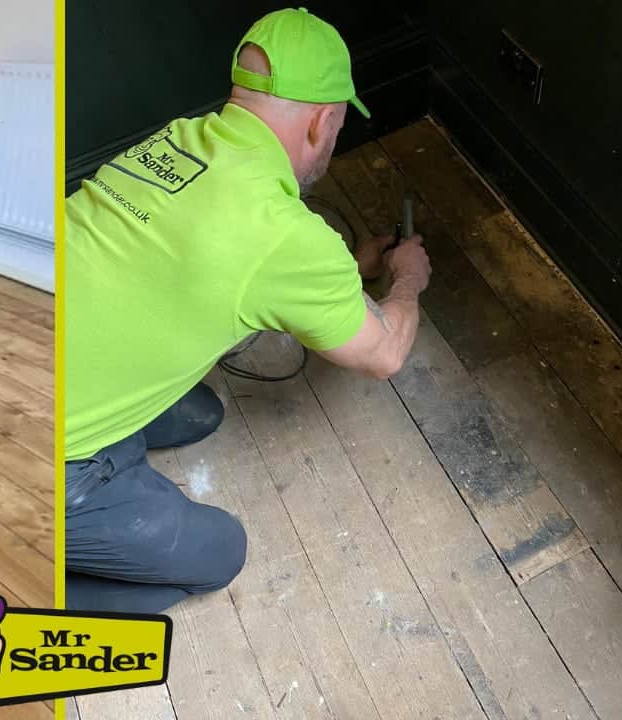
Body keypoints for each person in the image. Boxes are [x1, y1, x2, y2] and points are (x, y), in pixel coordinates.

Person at [63, 8, 432, 614]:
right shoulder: (283, 234)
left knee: (199, 414)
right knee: (219, 554)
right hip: (36, 453)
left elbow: (230, 255)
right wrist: (409, 279)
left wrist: (348, 268)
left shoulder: (180, 140)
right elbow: (385, 352)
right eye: (338, 127)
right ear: (322, 122)